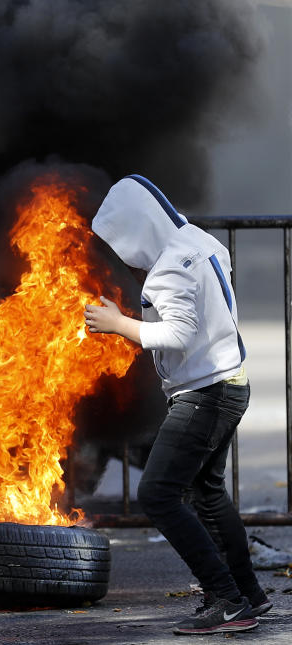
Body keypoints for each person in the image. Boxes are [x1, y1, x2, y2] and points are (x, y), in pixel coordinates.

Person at [83, 174, 269, 635]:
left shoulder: (169, 267)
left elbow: (180, 333)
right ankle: (248, 593)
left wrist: (118, 323)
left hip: (206, 394)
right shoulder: (197, 240)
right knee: (206, 491)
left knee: (158, 494)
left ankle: (226, 601)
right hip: (230, 382)